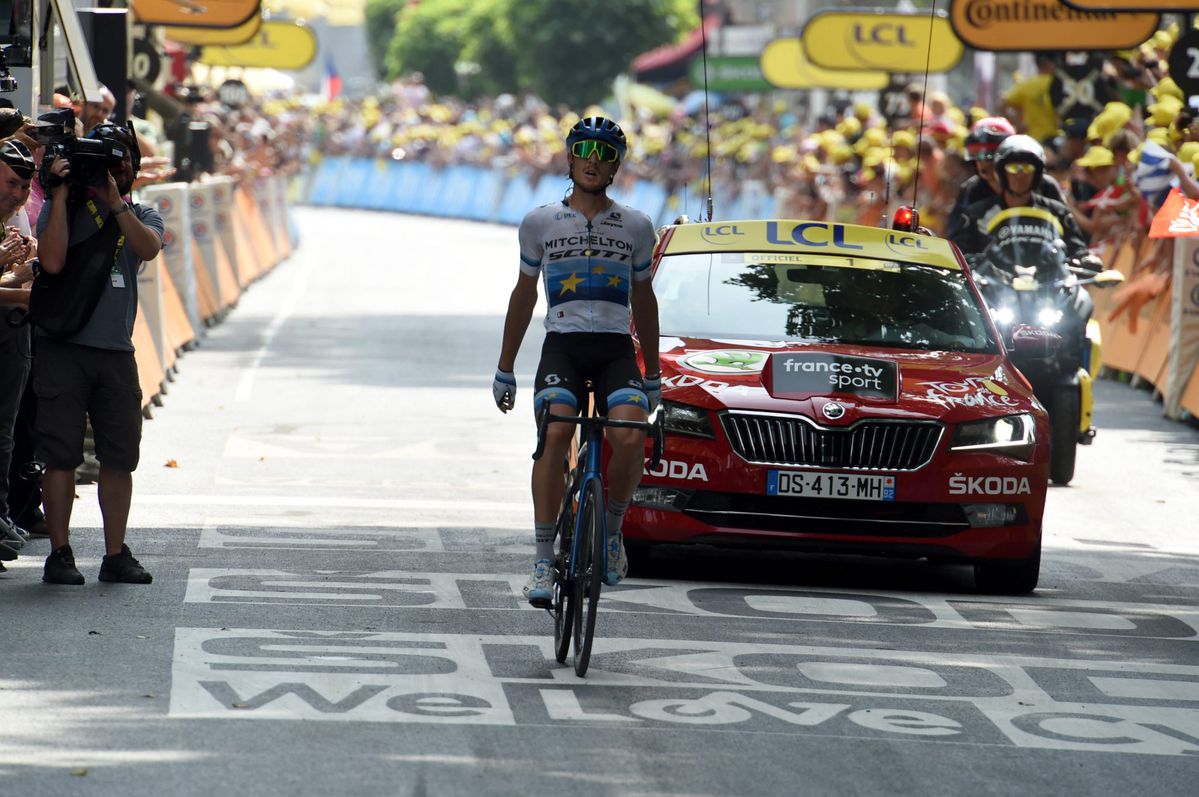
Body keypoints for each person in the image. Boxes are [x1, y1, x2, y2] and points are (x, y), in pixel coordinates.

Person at [493, 116, 660, 606]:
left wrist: (651, 372)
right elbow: (523, 297)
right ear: (569, 157)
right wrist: (505, 367)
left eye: (605, 153)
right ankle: (544, 559)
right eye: (584, 149)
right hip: (562, 347)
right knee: (557, 432)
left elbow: (645, 303)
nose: (593, 159)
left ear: (616, 165)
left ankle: (611, 531)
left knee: (630, 434)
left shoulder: (636, 225)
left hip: (614, 349)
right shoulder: (540, 222)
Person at [33, 122, 164, 585]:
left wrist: (115, 204)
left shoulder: (143, 215)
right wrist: (61, 195)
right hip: (63, 349)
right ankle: (60, 553)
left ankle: (114, 553)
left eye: (122, 158)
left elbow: (148, 249)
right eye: (108, 159)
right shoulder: (62, 205)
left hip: (114, 353)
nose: (116, 166)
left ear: (134, 167)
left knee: (119, 456)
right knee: (61, 455)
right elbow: (51, 262)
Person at [950, 134, 1092, 267]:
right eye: (1013, 168)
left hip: (1048, 288)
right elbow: (957, 253)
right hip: (991, 289)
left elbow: (1077, 248)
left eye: (1026, 168)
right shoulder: (976, 214)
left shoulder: (1057, 211)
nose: (1020, 175)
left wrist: (1085, 259)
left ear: (1037, 174)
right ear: (1001, 172)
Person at [0, 141, 36, 563]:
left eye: (25, 188)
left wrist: (22, 272)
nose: (18, 195)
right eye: (11, 183)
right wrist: (32, 295)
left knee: (5, 437)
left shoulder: (9, 226)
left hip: (12, 346)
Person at [946, 117, 1067, 243]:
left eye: (990, 155)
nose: (983, 163)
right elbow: (957, 240)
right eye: (977, 155)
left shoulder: (1045, 186)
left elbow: (1068, 232)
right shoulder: (971, 189)